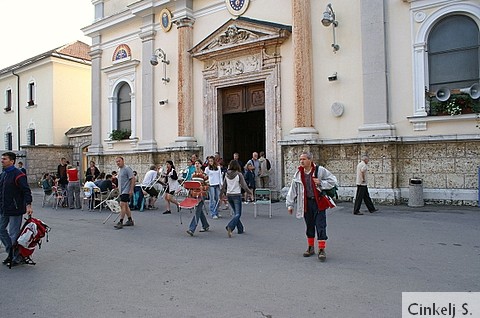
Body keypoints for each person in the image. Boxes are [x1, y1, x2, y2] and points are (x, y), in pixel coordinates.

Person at [286, 152, 337, 262]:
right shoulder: (298, 173)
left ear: (310, 160)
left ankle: (322, 249)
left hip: (318, 203)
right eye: (300, 159)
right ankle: (310, 247)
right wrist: (290, 204)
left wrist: (321, 183)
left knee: (321, 225)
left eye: (304, 159)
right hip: (306, 203)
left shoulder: (320, 170)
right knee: (309, 225)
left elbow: (333, 180)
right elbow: (293, 189)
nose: (301, 161)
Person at [0, 152, 33, 267]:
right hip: (3, 208)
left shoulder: (18, 175)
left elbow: (26, 190)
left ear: (12, 161)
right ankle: (11, 252)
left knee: (14, 233)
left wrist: (28, 205)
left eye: (4, 159)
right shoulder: (3, 174)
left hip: (15, 208)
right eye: (2, 158)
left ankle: (15, 257)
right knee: (1, 229)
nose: (2, 160)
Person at [221, 160, 252, 238]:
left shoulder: (226, 174)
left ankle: (240, 229)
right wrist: (250, 192)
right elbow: (244, 185)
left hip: (229, 194)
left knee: (235, 213)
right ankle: (230, 226)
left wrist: (221, 194)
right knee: (238, 214)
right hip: (236, 195)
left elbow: (224, 186)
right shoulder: (239, 174)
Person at [186, 160, 210, 236]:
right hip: (194, 194)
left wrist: (202, 188)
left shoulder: (204, 175)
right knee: (199, 211)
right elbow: (192, 185)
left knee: (197, 211)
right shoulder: (193, 175)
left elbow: (208, 185)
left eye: (198, 163)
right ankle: (205, 225)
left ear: (201, 165)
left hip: (201, 195)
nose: (196, 165)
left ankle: (191, 229)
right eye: (195, 163)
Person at [114, 157, 135, 229]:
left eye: (119, 161)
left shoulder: (127, 169)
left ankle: (120, 221)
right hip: (121, 190)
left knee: (122, 204)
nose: (118, 163)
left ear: (123, 161)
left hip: (126, 190)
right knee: (125, 205)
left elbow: (132, 178)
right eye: (116, 162)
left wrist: (131, 189)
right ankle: (130, 220)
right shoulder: (119, 170)